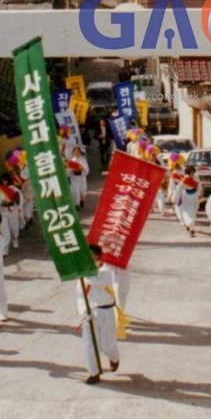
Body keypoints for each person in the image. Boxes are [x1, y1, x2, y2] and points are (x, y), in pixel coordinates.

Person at [77, 244, 120, 385]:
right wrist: (83, 311)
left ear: (98, 256)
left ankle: (114, 357)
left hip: (106, 311)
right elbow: (80, 295)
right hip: (91, 312)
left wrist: (83, 273)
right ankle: (93, 373)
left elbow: (98, 282)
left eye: (92, 255)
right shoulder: (83, 274)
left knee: (106, 345)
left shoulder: (106, 270)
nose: (89, 258)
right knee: (88, 345)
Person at [0, 172, 21, 249]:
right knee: (4, 230)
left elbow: (19, 200)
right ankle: (5, 247)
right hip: (2, 212)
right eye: (3, 180)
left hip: (13, 212)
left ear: (9, 180)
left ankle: (15, 239)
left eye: (6, 180)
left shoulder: (14, 189)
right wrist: (2, 203)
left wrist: (14, 202)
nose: (5, 182)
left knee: (14, 228)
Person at [174, 166, 200, 237]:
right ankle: (192, 230)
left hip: (195, 198)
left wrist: (200, 194)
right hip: (186, 199)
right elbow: (179, 189)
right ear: (188, 172)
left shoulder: (196, 177)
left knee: (193, 214)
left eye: (193, 171)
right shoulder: (185, 179)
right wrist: (175, 198)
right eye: (190, 172)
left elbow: (200, 186)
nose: (192, 173)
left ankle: (190, 226)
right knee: (189, 214)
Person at [67, 145, 89, 209]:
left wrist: (82, 168)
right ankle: (77, 205)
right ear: (73, 152)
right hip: (74, 178)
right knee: (75, 191)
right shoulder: (71, 161)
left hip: (82, 178)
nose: (76, 152)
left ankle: (82, 200)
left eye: (78, 151)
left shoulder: (83, 160)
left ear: (80, 152)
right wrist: (72, 170)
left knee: (83, 191)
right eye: (75, 151)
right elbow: (68, 172)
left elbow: (87, 169)